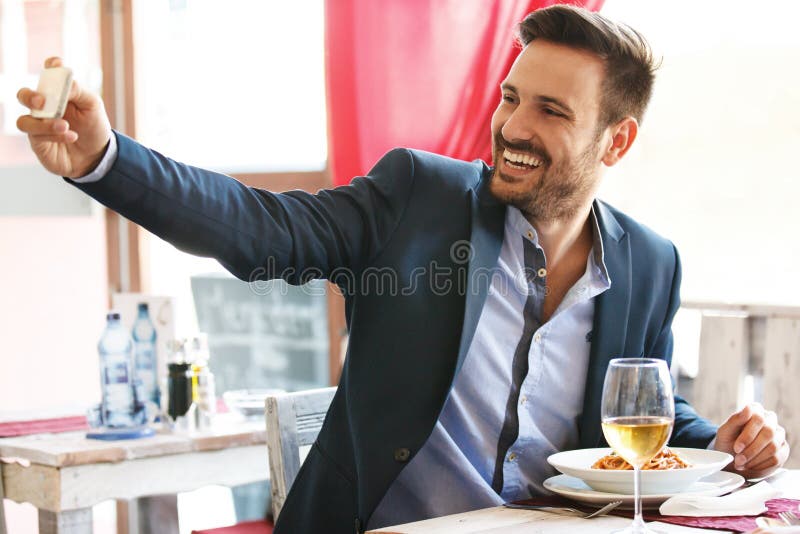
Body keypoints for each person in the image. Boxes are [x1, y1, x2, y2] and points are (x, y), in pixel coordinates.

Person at [16, 5, 789, 534]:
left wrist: (722, 440)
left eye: (552, 112)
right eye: (511, 97)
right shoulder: (419, 196)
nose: (513, 127)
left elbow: (637, 415)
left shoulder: (650, 262)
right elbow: (260, 229)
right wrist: (104, 161)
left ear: (615, 143)